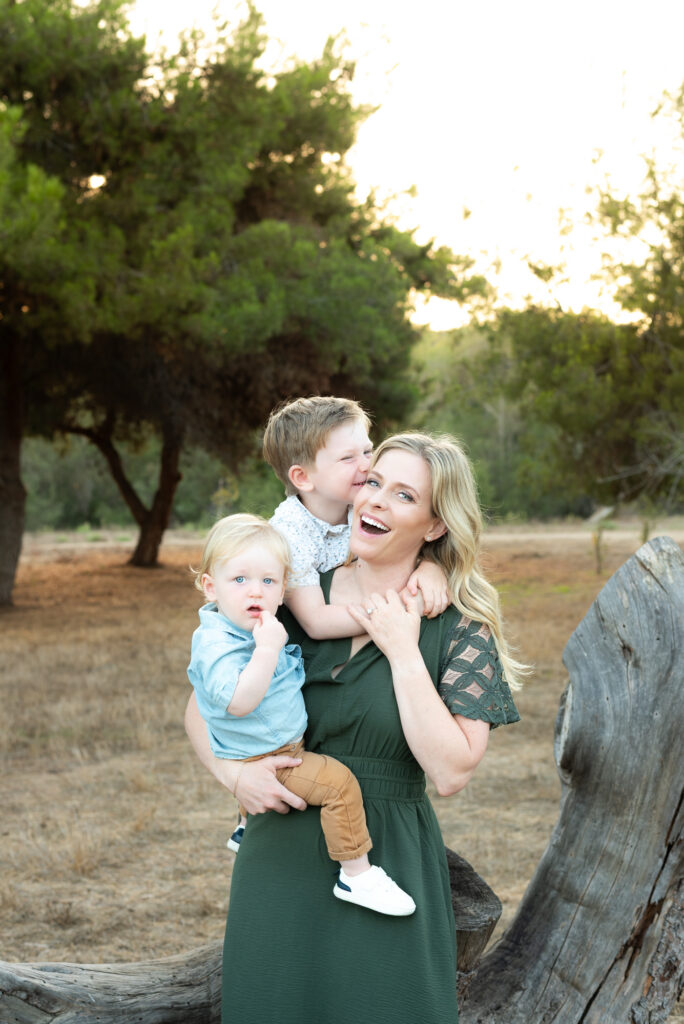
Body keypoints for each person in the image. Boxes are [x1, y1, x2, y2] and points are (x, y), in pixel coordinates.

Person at [185, 432, 524, 1024]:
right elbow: (200, 705)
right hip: (279, 853)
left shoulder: (460, 626)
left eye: (403, 495)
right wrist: (233, 778)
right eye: (372, 482)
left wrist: (403, 651)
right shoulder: (287, 597)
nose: (374, 501)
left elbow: (451, 771)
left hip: (384, 863)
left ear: (436, 525)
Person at [187, 513, 416, 915]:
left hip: (270, 742)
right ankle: (357, 874)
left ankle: (244, 826)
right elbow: (237, 702)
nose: (254, 590)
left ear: (283, 589)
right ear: (211, 587)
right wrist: (268, 650)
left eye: (268, 581)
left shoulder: (251, 625)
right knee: (338, 784)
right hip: (269, 757)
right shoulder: (218, 643)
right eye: (239, 580)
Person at [263, 395, 450, 640]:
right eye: (348, 458)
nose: (366, 465)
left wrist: (431, 566)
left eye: (367, 451)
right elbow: (317, 621)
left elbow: (406, 540)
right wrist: (396, 611)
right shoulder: (290, 535)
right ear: (303, 478)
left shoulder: (359, 504)